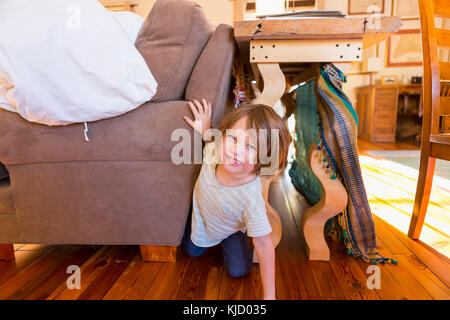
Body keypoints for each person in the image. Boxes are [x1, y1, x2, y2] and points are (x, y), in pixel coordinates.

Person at [182, 99, 290, 300]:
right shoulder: (216, 149)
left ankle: (229, 241)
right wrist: (204, 126)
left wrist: (270, 296)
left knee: (239, 270)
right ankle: (198, 233)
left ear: (265, 158)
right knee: (191, 251)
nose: (235, 150)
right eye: (232, 138)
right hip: (201, 218)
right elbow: (210, 136)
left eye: (250, 146)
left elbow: (265, 246)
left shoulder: (251, 200)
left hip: (230, 229)